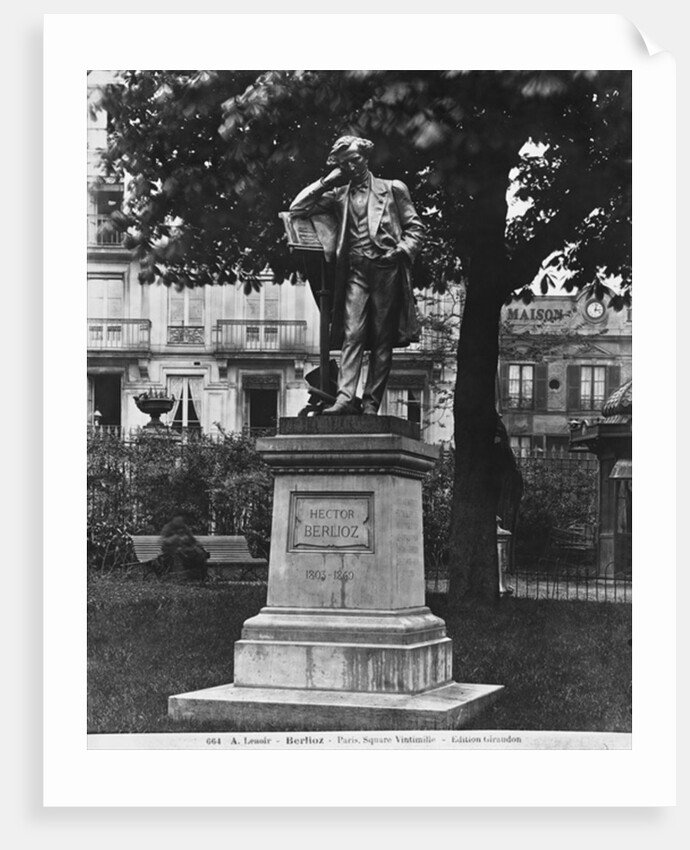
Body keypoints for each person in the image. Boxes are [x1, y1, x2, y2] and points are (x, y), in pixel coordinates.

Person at [290, 136, 425, 415]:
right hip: (356, 271)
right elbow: (297, 208)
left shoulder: (393, 189)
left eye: (355, 160)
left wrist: (398, 252)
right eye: (344, 164)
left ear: (366, 157)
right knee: (353, 334)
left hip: (386, 269)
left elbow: (416, 230)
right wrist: (326, 181)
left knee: (382, 340)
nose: (351, 167)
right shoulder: (339, 195)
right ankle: (344, 398)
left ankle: (371, 404)